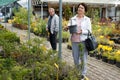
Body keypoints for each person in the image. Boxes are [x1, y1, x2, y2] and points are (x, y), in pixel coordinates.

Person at [66, 3, 91, 80]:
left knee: (83, 58)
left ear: (84, 10)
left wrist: (82, 31)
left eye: (82, 8)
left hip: (83, 41)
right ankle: (77, 72)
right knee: (75, 58)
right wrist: (67, 28)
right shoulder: (72, 19)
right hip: (74, 41)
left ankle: (83, 74)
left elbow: (89, 31)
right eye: (79, 7)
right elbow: (69, 27)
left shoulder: (87, 19)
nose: (80, 9)